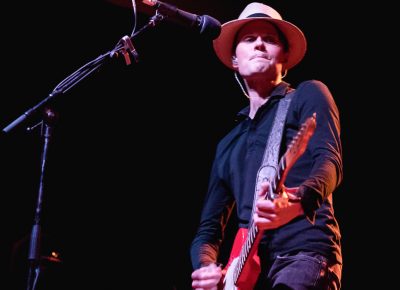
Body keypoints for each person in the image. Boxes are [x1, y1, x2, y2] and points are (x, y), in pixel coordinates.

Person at [190, 2, 343, 290]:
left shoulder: (306, 96)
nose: (259, 44)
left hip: (303, 255)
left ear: (285, 59)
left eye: (270, 39)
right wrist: (206, 267)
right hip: (252, 270)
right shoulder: (228, 143)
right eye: (249, 39)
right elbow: (207, 233)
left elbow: (330, 162)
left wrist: (297, 203)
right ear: (235, 59)